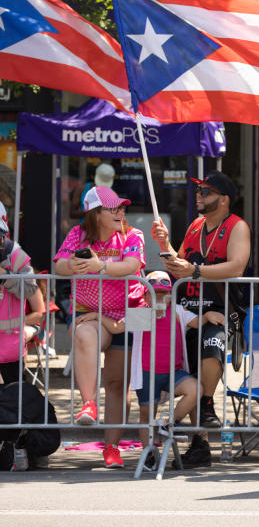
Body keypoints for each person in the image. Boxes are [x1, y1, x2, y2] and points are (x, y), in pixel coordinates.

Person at [151, 171, 251, 468]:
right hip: (189, 308)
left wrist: (194, 271)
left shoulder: (237, 227)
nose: (199, 195)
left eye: (206, 191)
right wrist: (165, 245)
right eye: (198, 190)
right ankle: (200, 443)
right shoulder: (196, 226)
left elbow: (237, 266)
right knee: (192, 372)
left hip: (218, 309)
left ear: (223, 199)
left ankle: (203, 406)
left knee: (212, 347)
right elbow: (178, 265)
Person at [54, 186, 146, 469]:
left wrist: (98, 266)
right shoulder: (77, 235)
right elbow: (58, 265)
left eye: (121, 207)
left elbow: (132, 265)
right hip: (89, 315)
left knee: (119, 385)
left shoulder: (133, 235)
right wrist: (74, 265)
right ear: (95, 213)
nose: (121, 212)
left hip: (130, 315)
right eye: (113, 208)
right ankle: (88, 404)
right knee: (83, 333)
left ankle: (112, 448)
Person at [131, 271, 200, 473]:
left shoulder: (178, 311)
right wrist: (96, 316)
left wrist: (210, 316)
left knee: (195, 389)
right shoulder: (142, 312)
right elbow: (119, 327)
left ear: (172, 295)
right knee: (146, 415)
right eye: (154, 294)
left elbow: (198, 321)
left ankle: (169, 423)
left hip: (173, 372)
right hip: (146, 372)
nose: (160, 298)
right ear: (145, 296)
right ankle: (149, 452)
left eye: (164, 294)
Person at [0, 217, 44, 384]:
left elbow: (32, 296)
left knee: (14, 392)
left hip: (10, 342)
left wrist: (6, 277)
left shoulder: (17, 258)